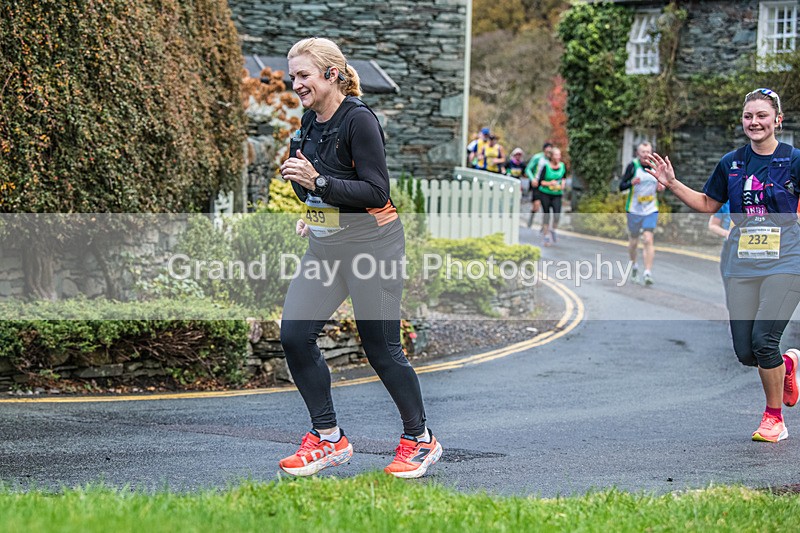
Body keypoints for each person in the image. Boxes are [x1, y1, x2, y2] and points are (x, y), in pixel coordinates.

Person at [278, 37, 442, 477]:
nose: (296, 84)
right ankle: (328, 438)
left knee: (381, 349)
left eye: (303, 75)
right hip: (327, 248)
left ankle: (420, 440)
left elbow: (375, 191)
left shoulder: (359, 120)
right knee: (294, 335)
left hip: (375, 248)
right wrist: (312, 208)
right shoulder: (308, 122)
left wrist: (318, 183)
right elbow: (319, 188)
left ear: (331, 74)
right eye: (293, 76)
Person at [647, 88, 800, 443]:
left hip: (786, 262)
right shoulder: (732, 163)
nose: (754, 122)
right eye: (748, 116)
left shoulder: (793, 160)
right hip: (742, 264)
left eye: (762, 115)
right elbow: (707, 204)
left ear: (777, 120)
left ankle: (774, 419)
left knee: (764, 341)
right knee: (747, 352)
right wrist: (672, 183)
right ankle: (789, 365)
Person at [620, 141, 663, 285]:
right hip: (634, 209)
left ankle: (647, 273)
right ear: (638, 153)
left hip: (651, 209)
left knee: (648, 239)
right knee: (633, 242)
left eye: (648, 152)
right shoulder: (632, 166)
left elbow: (662, 183)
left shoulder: (656, 166)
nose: (645, 154)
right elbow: (621, 186)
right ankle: (634, 266)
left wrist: (661, 186)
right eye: (643, 152)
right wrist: (631, 182)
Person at [536, 146, 566, 246]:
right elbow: (540, 182)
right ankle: (546, 236)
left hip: (557, 194)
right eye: (556, 155)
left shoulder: (562, 166)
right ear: (552, 156)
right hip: (545, 193)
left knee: (557, 214)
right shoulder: (546, 167)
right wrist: (550, 183)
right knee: (547, 214)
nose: (558, 157)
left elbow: (563, 177)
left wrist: (563, 184)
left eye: (559, 155)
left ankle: (553, 229)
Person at [525, 142, 553, 227]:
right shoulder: (538, 157)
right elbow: (528, 169)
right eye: (547, 151)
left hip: (546, 185)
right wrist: (532, 179)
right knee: (536, 205)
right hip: (536, 183)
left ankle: (544, 226)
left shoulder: (551, 160)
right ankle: (531, 220)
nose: (549, 153)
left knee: (546, 206)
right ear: (544, 150)